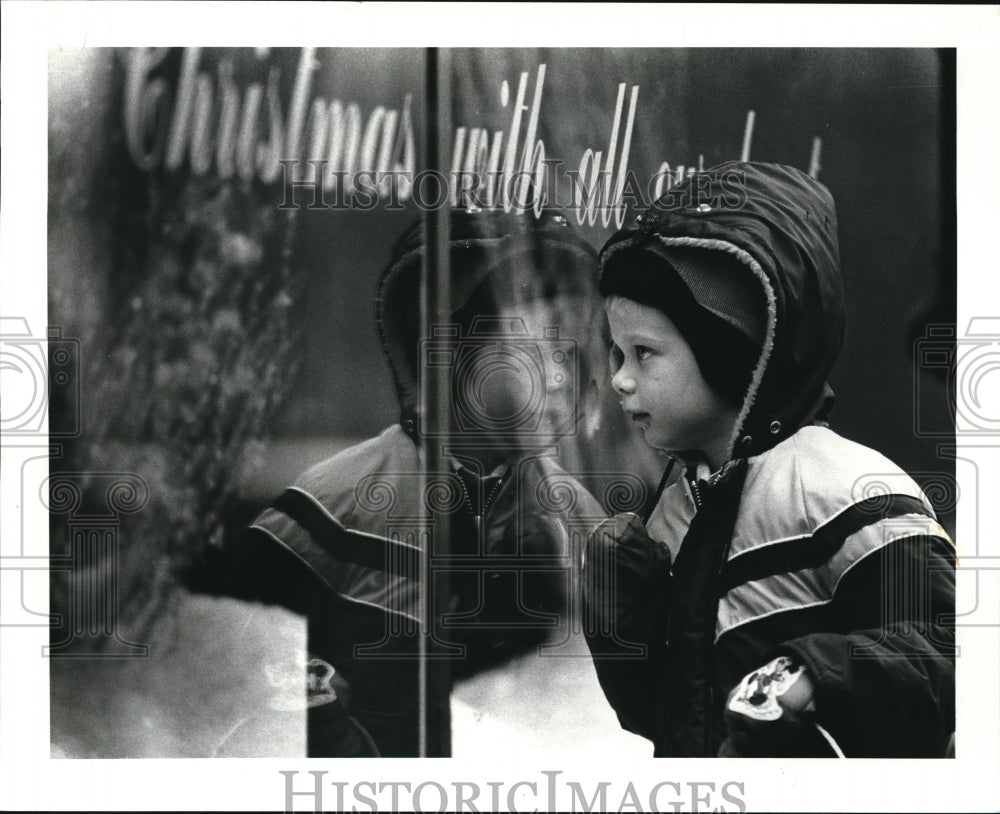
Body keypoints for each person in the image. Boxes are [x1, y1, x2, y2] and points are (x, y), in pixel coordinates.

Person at [582, 161, 956, 758]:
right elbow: (668, 720)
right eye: (616, 353)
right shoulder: (674, 511)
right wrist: (623, 632)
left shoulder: (845, 490)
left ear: (730, 351)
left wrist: (813, 676)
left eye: (644, 353)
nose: (619, 381)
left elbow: (950, 649)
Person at [215, 207, 610, 756]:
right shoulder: (332, 510)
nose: (567, 374)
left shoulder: (582, 521)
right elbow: (249, 698)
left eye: (580, 347)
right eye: (542, 346)